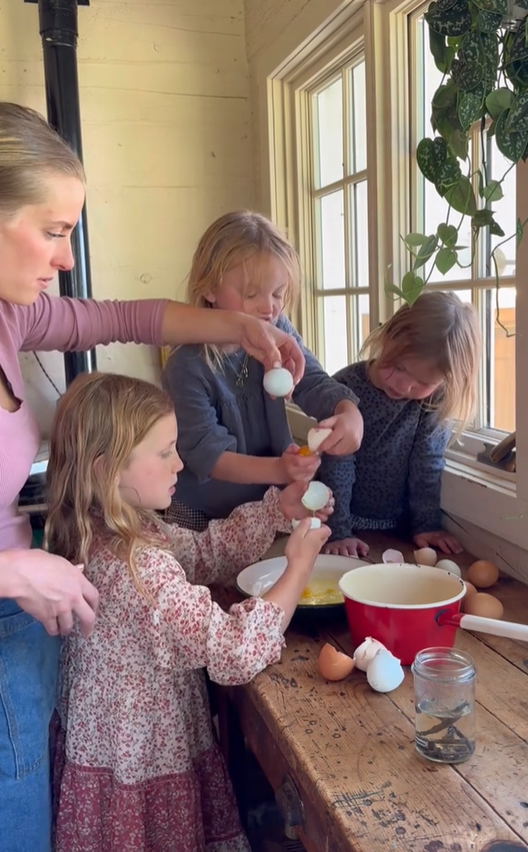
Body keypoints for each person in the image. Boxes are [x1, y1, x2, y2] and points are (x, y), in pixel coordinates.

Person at [0, 102, 305, 852]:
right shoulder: (130, 557)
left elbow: (121, 318)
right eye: (53, 229)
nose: (66, 256)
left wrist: (239, 327)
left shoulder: (9, 318)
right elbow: (230, 647)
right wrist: (297, 562)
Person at [45, 371, 331, 852]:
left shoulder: (104, 529)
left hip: (108, 750)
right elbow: (238, 650)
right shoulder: (141, 569)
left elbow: (202, 554)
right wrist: (298, 568)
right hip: (145, 756)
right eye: (164, 452)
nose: (180, 463)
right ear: (104, 469)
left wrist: (277, 509)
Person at [161, 210, 364, 531]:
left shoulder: (276, 328)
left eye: (278, 294)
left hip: (267, 505)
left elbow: (311, 381)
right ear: (209, 289)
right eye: (251, 293)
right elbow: (209, 456)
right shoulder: (186, 366)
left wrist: (348, 411)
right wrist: (281, 471)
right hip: (203, 515)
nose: (268, 307)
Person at [320, 291, 480, 558]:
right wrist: (339, 532)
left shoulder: (434, 400)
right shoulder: (345, 389)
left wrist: (426, 524)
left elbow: (427, 462)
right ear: (386, 337)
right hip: (339, 524)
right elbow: (337, 465)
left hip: (397, 529)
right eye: (399, 367)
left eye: (423, 382)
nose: (403, 385)